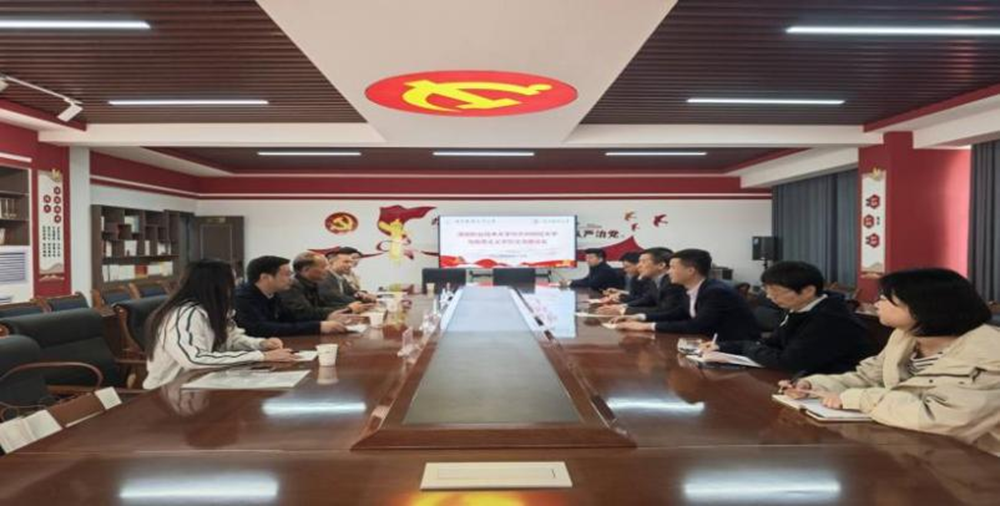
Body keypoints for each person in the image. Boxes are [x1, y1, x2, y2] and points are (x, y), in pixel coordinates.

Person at [781, 268, 1000, 451]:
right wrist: (814, 386)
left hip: (978, 462)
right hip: (917, 447)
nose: (876, 304)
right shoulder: (905, 336)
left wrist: (857, 399)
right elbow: (869, 377)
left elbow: (942, 419)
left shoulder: (990, 354)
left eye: (885, 299)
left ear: (924, 307)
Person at [143, 259, 296, 389]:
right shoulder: (185, 314)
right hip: (171, 389)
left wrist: (261, 344)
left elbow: (230, 340)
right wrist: (260, 356)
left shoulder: (213, 309)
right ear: (215, 285)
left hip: (203, 381)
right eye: (232, 281)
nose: (235, 286)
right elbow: (194, 359)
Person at [701, 261, 874, 374]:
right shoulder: (799, 308)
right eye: (767, 290)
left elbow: (789, 362)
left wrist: (746, 347)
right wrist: (723, 346)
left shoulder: (831, 319)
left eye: (776, 292)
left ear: (808, 291)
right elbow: (772, 343)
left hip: (835, 387)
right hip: (805, 378)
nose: (769, 297)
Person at [615, 249, 759, 342]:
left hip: (734, 346)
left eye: (673, 267)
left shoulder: (715, 292)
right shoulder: (692, 288)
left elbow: (696, 325)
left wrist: (647, 327)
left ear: (690, 271)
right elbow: (678, 312)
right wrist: (639, 317)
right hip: (707, 342)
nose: (669, 272)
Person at [235, 255, 349, 337]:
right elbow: (260, 329)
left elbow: (290, 318)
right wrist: (318, 326)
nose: (291, 279)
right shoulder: (242, 298)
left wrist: (326, 319)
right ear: (265, 277)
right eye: (286, 274)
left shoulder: (273, 294)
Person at [596, 247, 686, 320]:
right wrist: (621, 306)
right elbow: (647, 300)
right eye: (639, 262)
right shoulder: (654, 280)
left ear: (661, 265)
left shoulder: (672, 282)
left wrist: (623, 310)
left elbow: (665, 310)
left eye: (643, 262)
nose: (639, 266)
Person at [281, 252, 358, 320]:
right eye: (323, 267)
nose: (327, 270)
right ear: (306, 269)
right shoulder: (292, 286)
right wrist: (347, 309)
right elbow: (305, 313)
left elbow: (322, 307)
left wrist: (348, 307)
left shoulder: (313, 284)